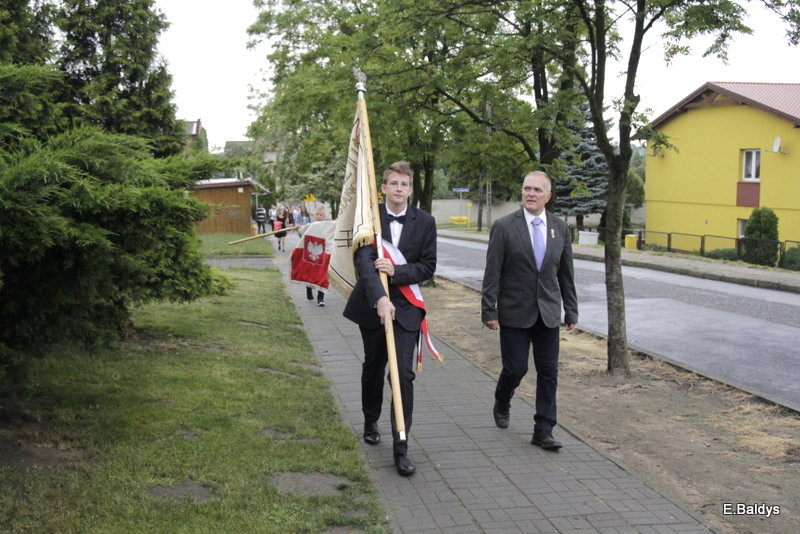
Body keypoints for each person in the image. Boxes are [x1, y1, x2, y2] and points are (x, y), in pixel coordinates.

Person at [343, 161, 437, 477]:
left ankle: (401, 445)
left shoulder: (425, 222)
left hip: (407, 308)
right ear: (383, 187)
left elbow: (427, 266)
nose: (398, 189)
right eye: (393, 183)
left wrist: (397, 273)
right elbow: (365, 263)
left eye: (404, 184)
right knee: (373, 367)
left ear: (410, 189)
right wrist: (380, 298)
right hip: (373, 305)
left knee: (402, 375)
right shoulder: (370, 219)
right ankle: (370, 419)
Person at [481, 170, 578, 451]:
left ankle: (543, 429)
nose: (530, 194)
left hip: (547, 312)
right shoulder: (504, 226)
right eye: (526, 189)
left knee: (549, 372)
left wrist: (571, 310)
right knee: (516, 367)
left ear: (548, 196)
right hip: (514, 311)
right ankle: (502, 397)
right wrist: (489, 310)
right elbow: (492, 272)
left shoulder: (559, 228)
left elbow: (566, 274)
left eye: (537, 190)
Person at [306, 206, 327, 306]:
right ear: (314, 216)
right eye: (317, 214)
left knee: (322, 275)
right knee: (310, 274)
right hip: (311, 255)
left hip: (322, 255)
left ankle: (320, 298)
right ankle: (308, 288)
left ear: (324, 216)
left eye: (321, 215)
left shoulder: (327, 226)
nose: (319, 216)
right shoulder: (310, 226)